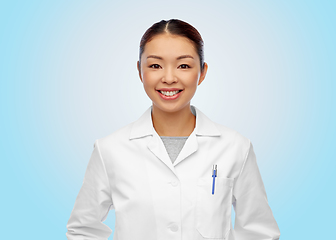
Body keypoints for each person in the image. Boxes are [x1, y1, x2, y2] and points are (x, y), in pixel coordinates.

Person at [66, 19, 281, 240]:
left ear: (203, 72)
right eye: (155, 65)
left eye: (184, 66)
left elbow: (259, 232)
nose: (169, 78)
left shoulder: (235, 147)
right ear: (140, 71)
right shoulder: (109, 150)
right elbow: (83, 230)